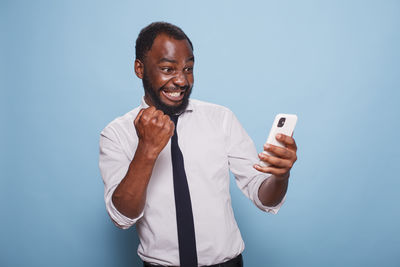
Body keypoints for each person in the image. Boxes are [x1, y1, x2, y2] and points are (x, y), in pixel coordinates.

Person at [99, 22, 298, 267]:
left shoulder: (221, 119)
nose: (182, 80)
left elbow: (264, 197)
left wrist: (281, 176)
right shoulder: (116, 134)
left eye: (188, 68)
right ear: (140, 69)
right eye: (167, 68)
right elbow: (122, 216)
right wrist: (147, 150)